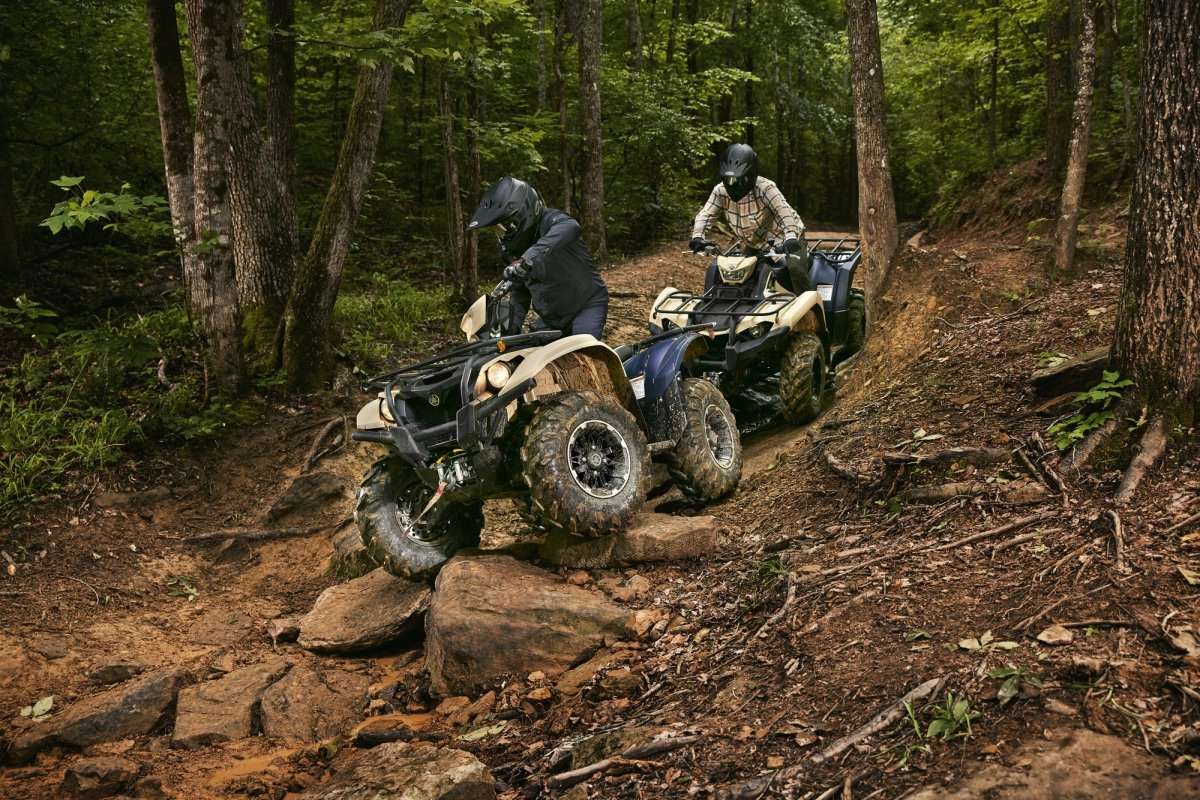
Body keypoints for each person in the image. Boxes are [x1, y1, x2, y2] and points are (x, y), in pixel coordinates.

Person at [467, 176, 609, 339]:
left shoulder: (552, 221)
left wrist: (526, 260)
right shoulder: (510, 249)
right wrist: (512, 328)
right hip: (552, 319)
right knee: (520, 352)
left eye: (504, 226)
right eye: (497, 229)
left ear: (521, 214)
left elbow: (571, 227)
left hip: (586, 307)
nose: (502, 234)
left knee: (582, 348)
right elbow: (520, 291)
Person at [689, 143, 810, 293]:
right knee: (735, 275)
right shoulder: (720, 191)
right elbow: (706, 214)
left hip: (785, 238)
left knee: (795, 270)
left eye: (740, 179)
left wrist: (790, 236)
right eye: (729, 179)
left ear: (751, 174)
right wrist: (698, 236)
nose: (734, 184)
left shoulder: (765, 188)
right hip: (754, 243)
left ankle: (809, 304)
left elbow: (783, 211)